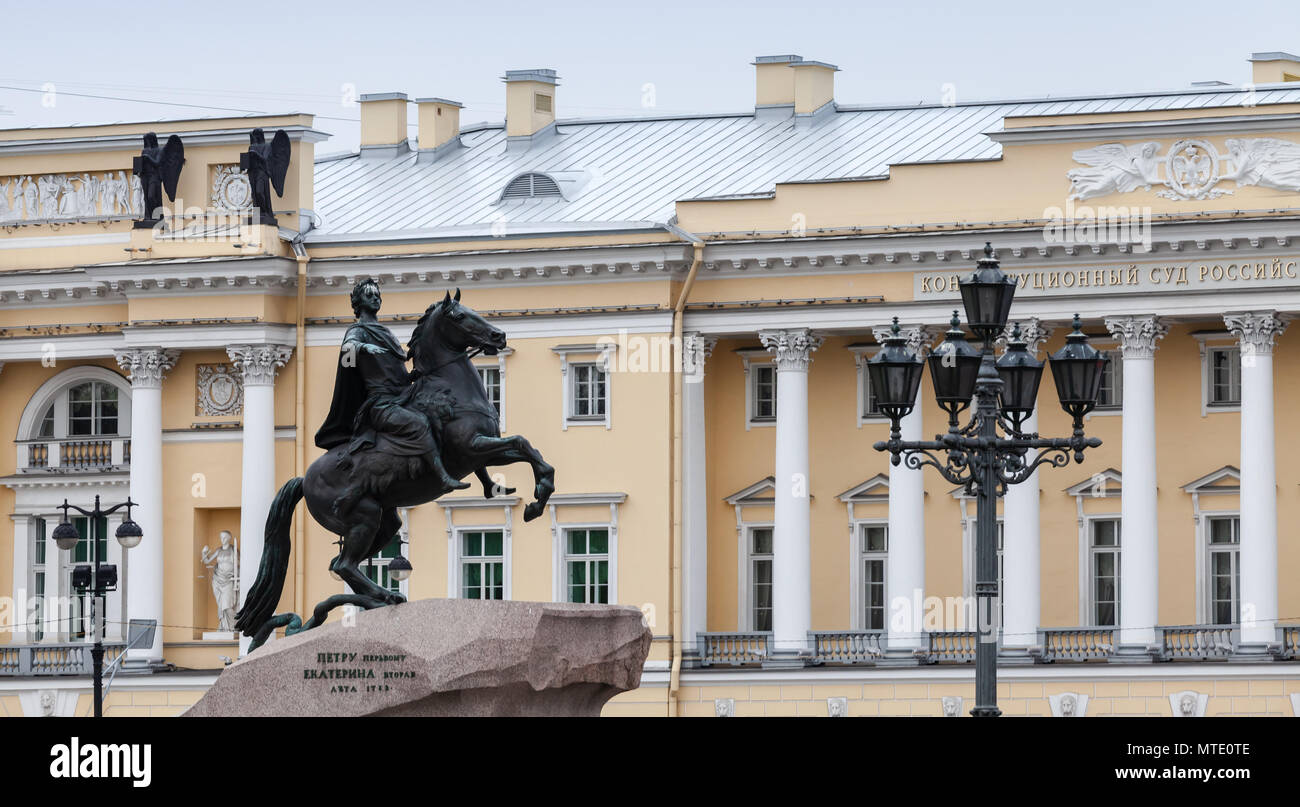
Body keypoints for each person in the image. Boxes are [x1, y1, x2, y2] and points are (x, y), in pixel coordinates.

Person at [315, 278, 467, 499]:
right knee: (419, 423)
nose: (375, 298)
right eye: (369, 295)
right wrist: (363, 347)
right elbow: (347, 355)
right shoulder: (358, 330)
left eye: (377, 294)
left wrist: (414, 374)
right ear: (358, 301)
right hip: (381, 405)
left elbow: (394, 369)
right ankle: (442, 476)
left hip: (402, 396)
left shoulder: (384, 331)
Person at [201, 530, 238, 632]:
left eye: (225, 537)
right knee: (221, 605)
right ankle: (224, 626)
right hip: (217, 580)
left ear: (229, 538)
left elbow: (239, 564)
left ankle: (234, 625)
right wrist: (203, 553)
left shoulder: (233, 550)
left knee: (227, 605)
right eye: (221, 537)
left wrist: (238, 578)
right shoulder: (218, 550)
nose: (223, 540)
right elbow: (207, 561)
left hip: (229, 580)